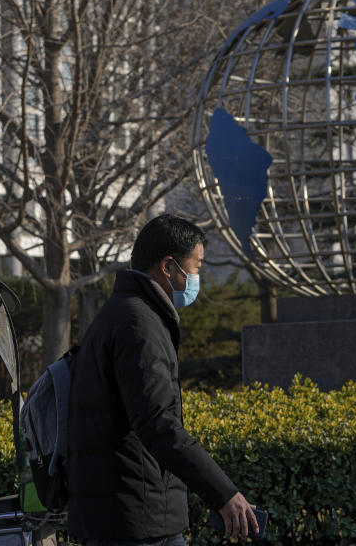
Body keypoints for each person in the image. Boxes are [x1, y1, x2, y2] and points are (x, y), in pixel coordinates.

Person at [67, 214, 259, 545]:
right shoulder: (138, 324)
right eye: (196, 266)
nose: (199, 276)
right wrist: (224, 494)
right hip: (134, 519)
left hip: (127, 511)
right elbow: (157, 422)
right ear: (168, 267)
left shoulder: (123, 313)